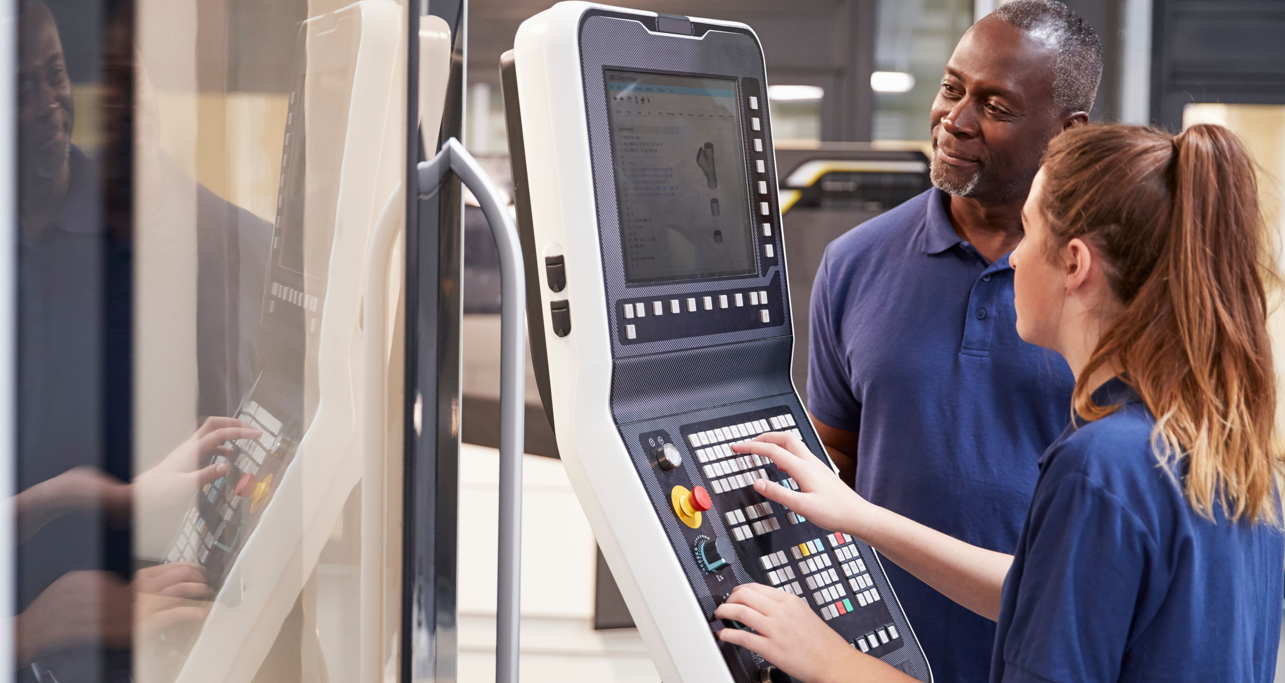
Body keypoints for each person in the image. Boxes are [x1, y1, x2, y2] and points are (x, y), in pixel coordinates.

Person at [717, 123, 1285, 683]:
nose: (1012, 260)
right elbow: (1047, 591)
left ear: (1075, 264)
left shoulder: (1099, 467)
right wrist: (860, 517)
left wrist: (830, 662)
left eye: (1029, 234)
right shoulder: (1211, 444)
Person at [806, 2, 1102, 678]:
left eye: (995, 106)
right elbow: (833, 463)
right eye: (950, 88)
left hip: (1046, 653)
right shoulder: (853, 262)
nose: (955, 119)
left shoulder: (1108, 286)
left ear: (1066, 132)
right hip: (878, 657)